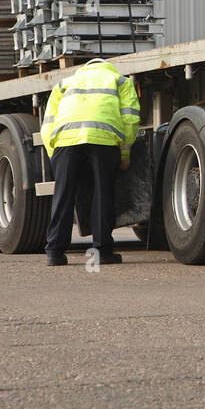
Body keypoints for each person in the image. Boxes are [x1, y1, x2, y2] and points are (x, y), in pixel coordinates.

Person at [42, 58, 140, 267]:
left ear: (84, 69)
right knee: (102, 194)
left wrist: (54, 154)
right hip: (103, 140)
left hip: (65, 141)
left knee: (63, 196)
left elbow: (48, 123)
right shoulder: (120, 81)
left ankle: (54, 252)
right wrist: (124, 154)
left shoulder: (65, 83)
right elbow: (130, 120)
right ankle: (102, 250)